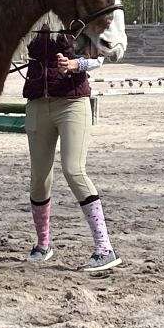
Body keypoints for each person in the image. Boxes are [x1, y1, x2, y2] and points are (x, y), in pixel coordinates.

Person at [23, 20, 120, 273]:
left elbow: (99, 58)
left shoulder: (74, 17)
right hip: (36, 104)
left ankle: (104, 248)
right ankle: (43, 245)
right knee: (38, 179)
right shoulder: (29, 14)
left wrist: (76, 64)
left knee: (73, 170)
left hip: (72, 103)